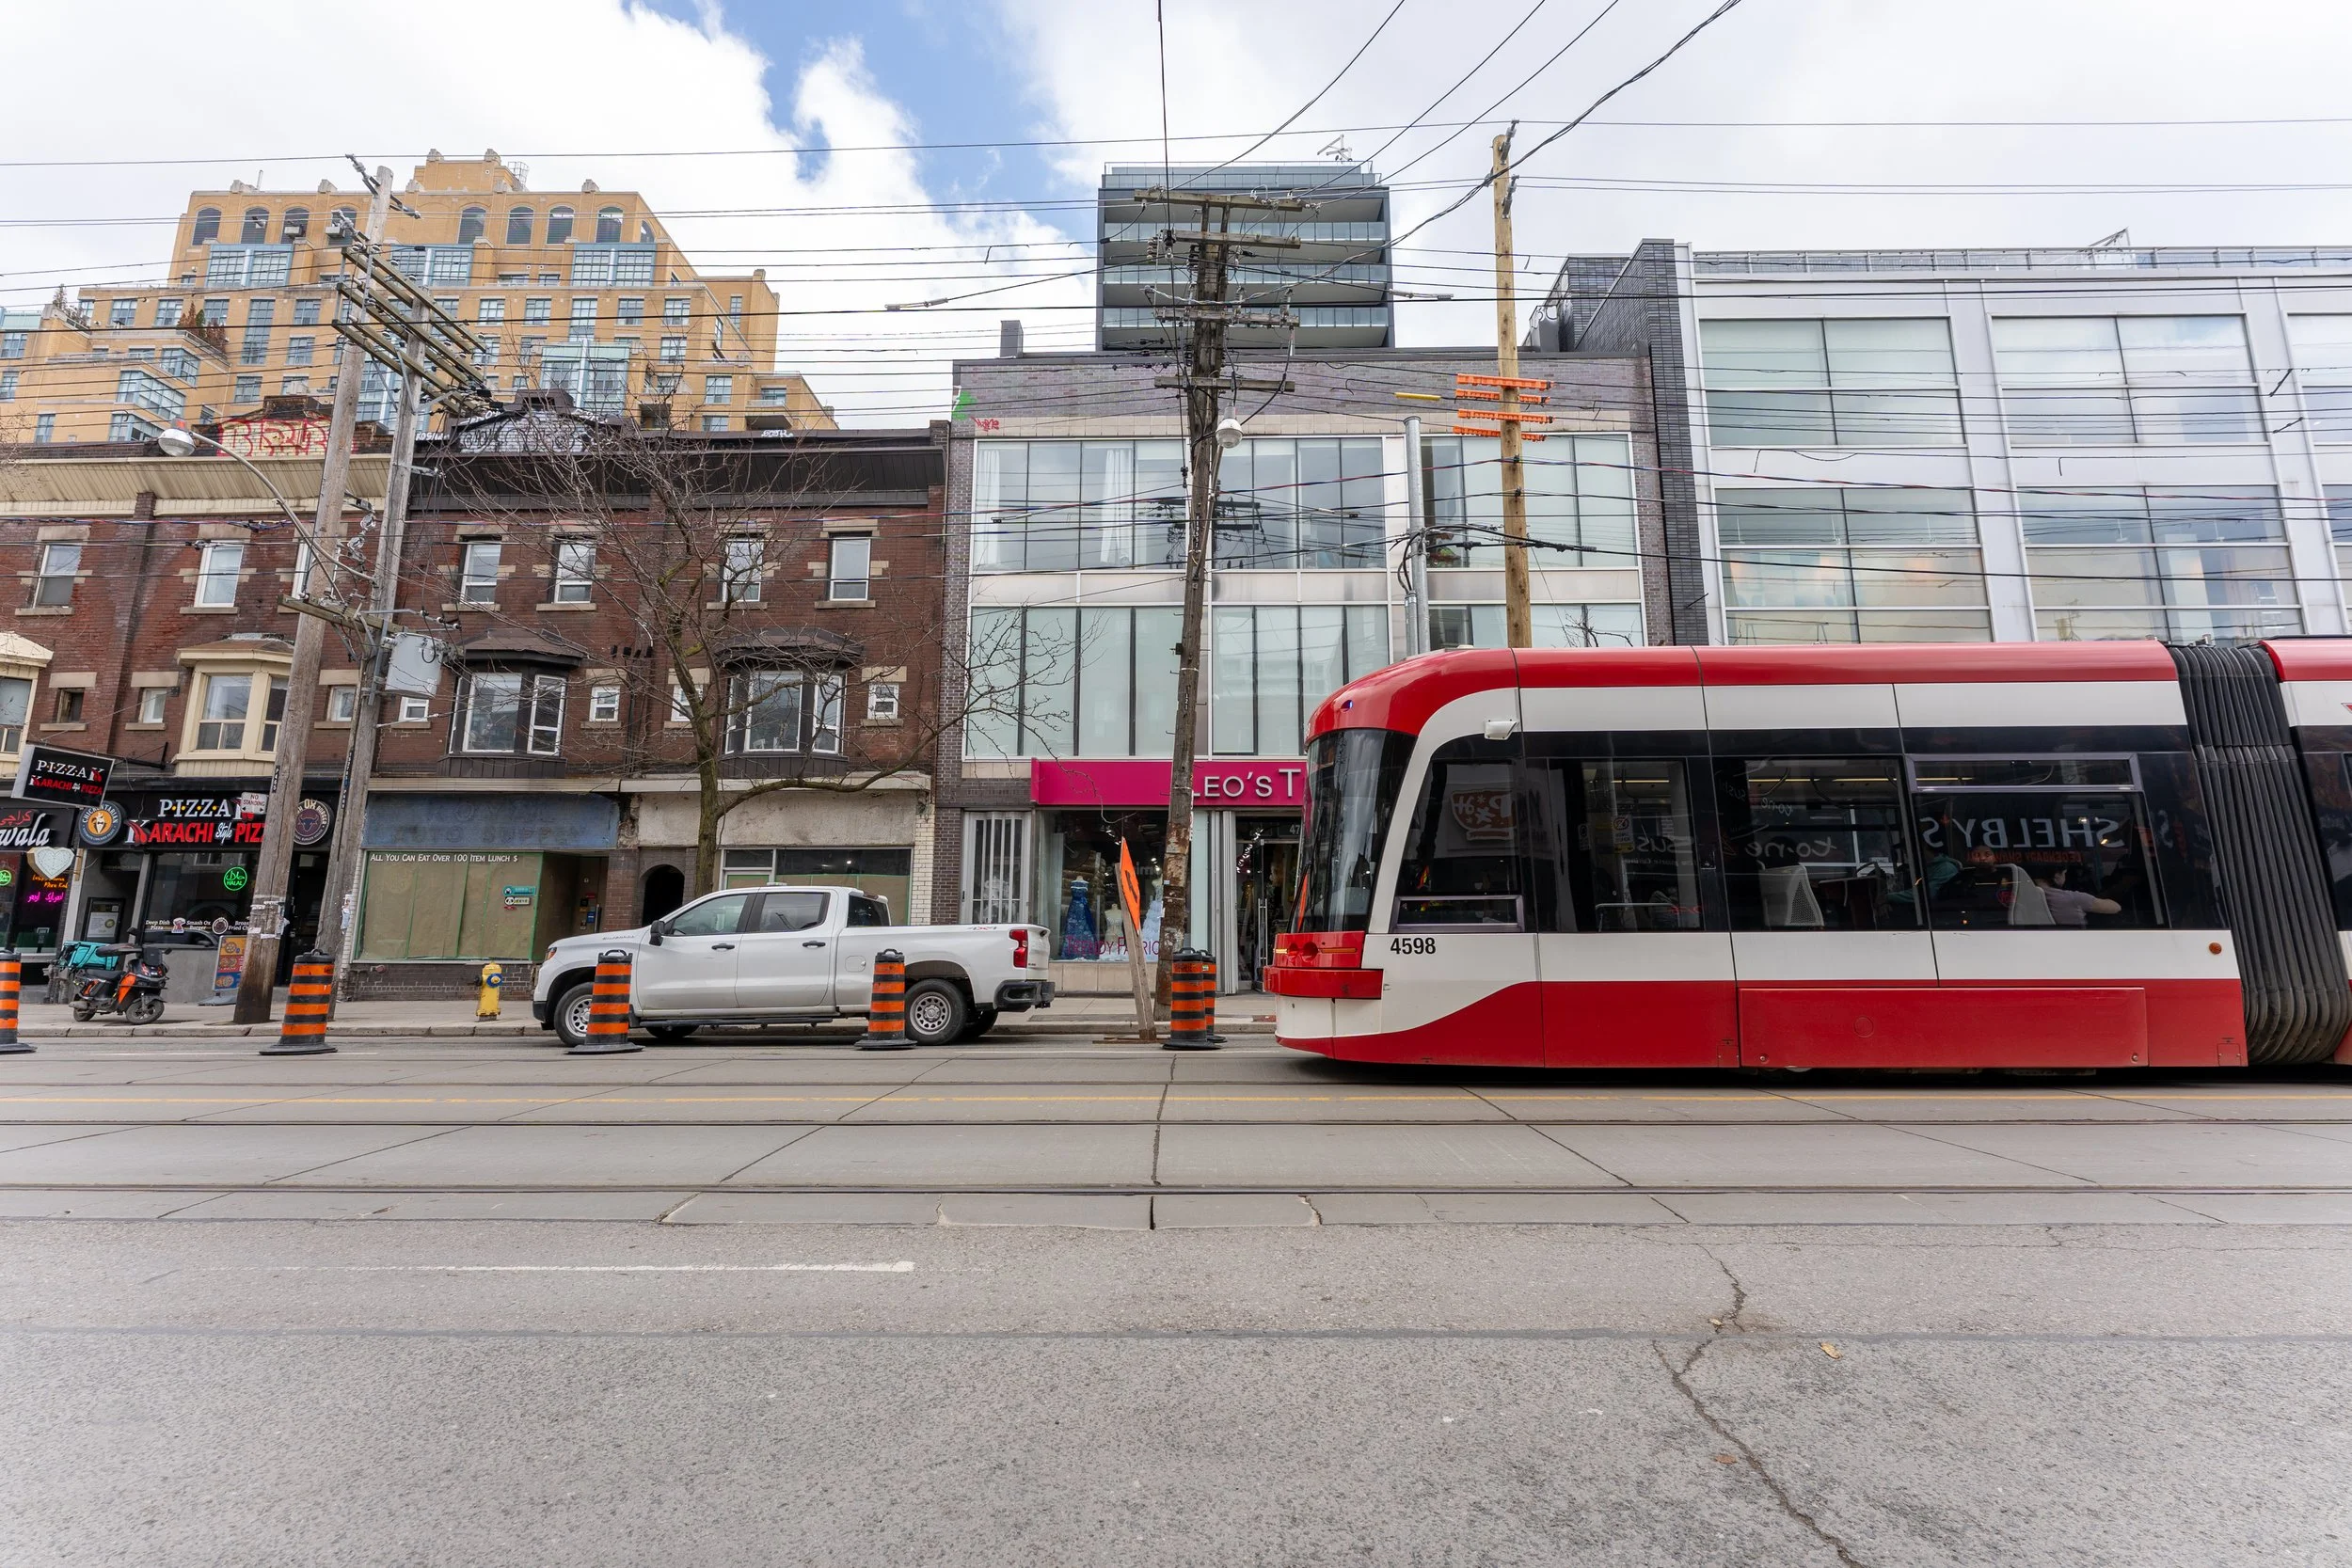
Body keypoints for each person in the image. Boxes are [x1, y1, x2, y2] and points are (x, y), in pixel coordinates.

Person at [2036, 868, 2122, 927]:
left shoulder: (2025, 896)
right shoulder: (2072, 898)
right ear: (2057, 875)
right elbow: (2115, 908)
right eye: (2064, 874)